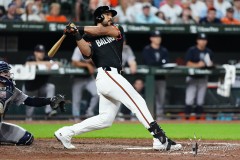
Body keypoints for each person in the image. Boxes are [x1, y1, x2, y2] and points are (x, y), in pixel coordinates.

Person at [54, 6, 182, 151]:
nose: (110, 17)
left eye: (110, 14)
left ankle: (66, 132)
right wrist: (77, 35)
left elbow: (102, 31)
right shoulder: (88, 37)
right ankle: (160, 138)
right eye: (107, 14)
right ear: (99, 17)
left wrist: (78, 28)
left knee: (105, 120)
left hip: (112, 77)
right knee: (138, 101)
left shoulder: (116, 28)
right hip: (107, 75)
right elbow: (87, 54)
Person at [0, 61, 65, 145]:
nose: (8, 74)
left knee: (27, 138)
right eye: (5, 72)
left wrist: (50, 100)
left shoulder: (12, 90)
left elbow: (30, 101)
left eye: (8, 71)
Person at [23, 44, 57, 121]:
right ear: (35, 52)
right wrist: (45, 64)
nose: (41, 53)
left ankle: (48, 112)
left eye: (42, 52)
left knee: (51, 87)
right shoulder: (31, 58)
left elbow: (58, 63)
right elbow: (27, 64)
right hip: (30, 88)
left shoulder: (46, 58)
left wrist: (52, 63)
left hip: (41, 88)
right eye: (39, 52)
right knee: (29, 111)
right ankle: (28, 120)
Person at [184, 33, 214, 119]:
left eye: (204, 40)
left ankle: (198, 121)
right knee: (189, 100)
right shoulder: (192, 50)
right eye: (201, 39)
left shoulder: (209, 51)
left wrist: (210, 64)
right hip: (192, 77)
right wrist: (197, 65)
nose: (203, 41)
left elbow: (211, 64)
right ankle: (186, 121)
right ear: (197, 41)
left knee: (200, 101)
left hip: (203, 78)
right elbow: (187, 63)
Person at [142, 30, 169, 120]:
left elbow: (166, 63)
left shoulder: (164, 50)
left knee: (161, 99)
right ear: (151, 38)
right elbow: (149, 62)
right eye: (156, 37)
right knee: (149, 99)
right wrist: (160, 63)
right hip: (150, 79)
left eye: (159, 37)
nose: (158, 39)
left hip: (161, 78)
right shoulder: (147, 49)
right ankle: (148, 118)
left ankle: (160, 118)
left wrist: (158, 63)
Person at [71, 46, 99, 121]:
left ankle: (89, 113)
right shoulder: (78, 48)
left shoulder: (94, 47)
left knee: (97, 93)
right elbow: (74, 62)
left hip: (89, 78)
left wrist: (91, 61)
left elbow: (98, 61)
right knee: (76, 100)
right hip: (78, 78)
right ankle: (76, 117)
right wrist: (86, 65)